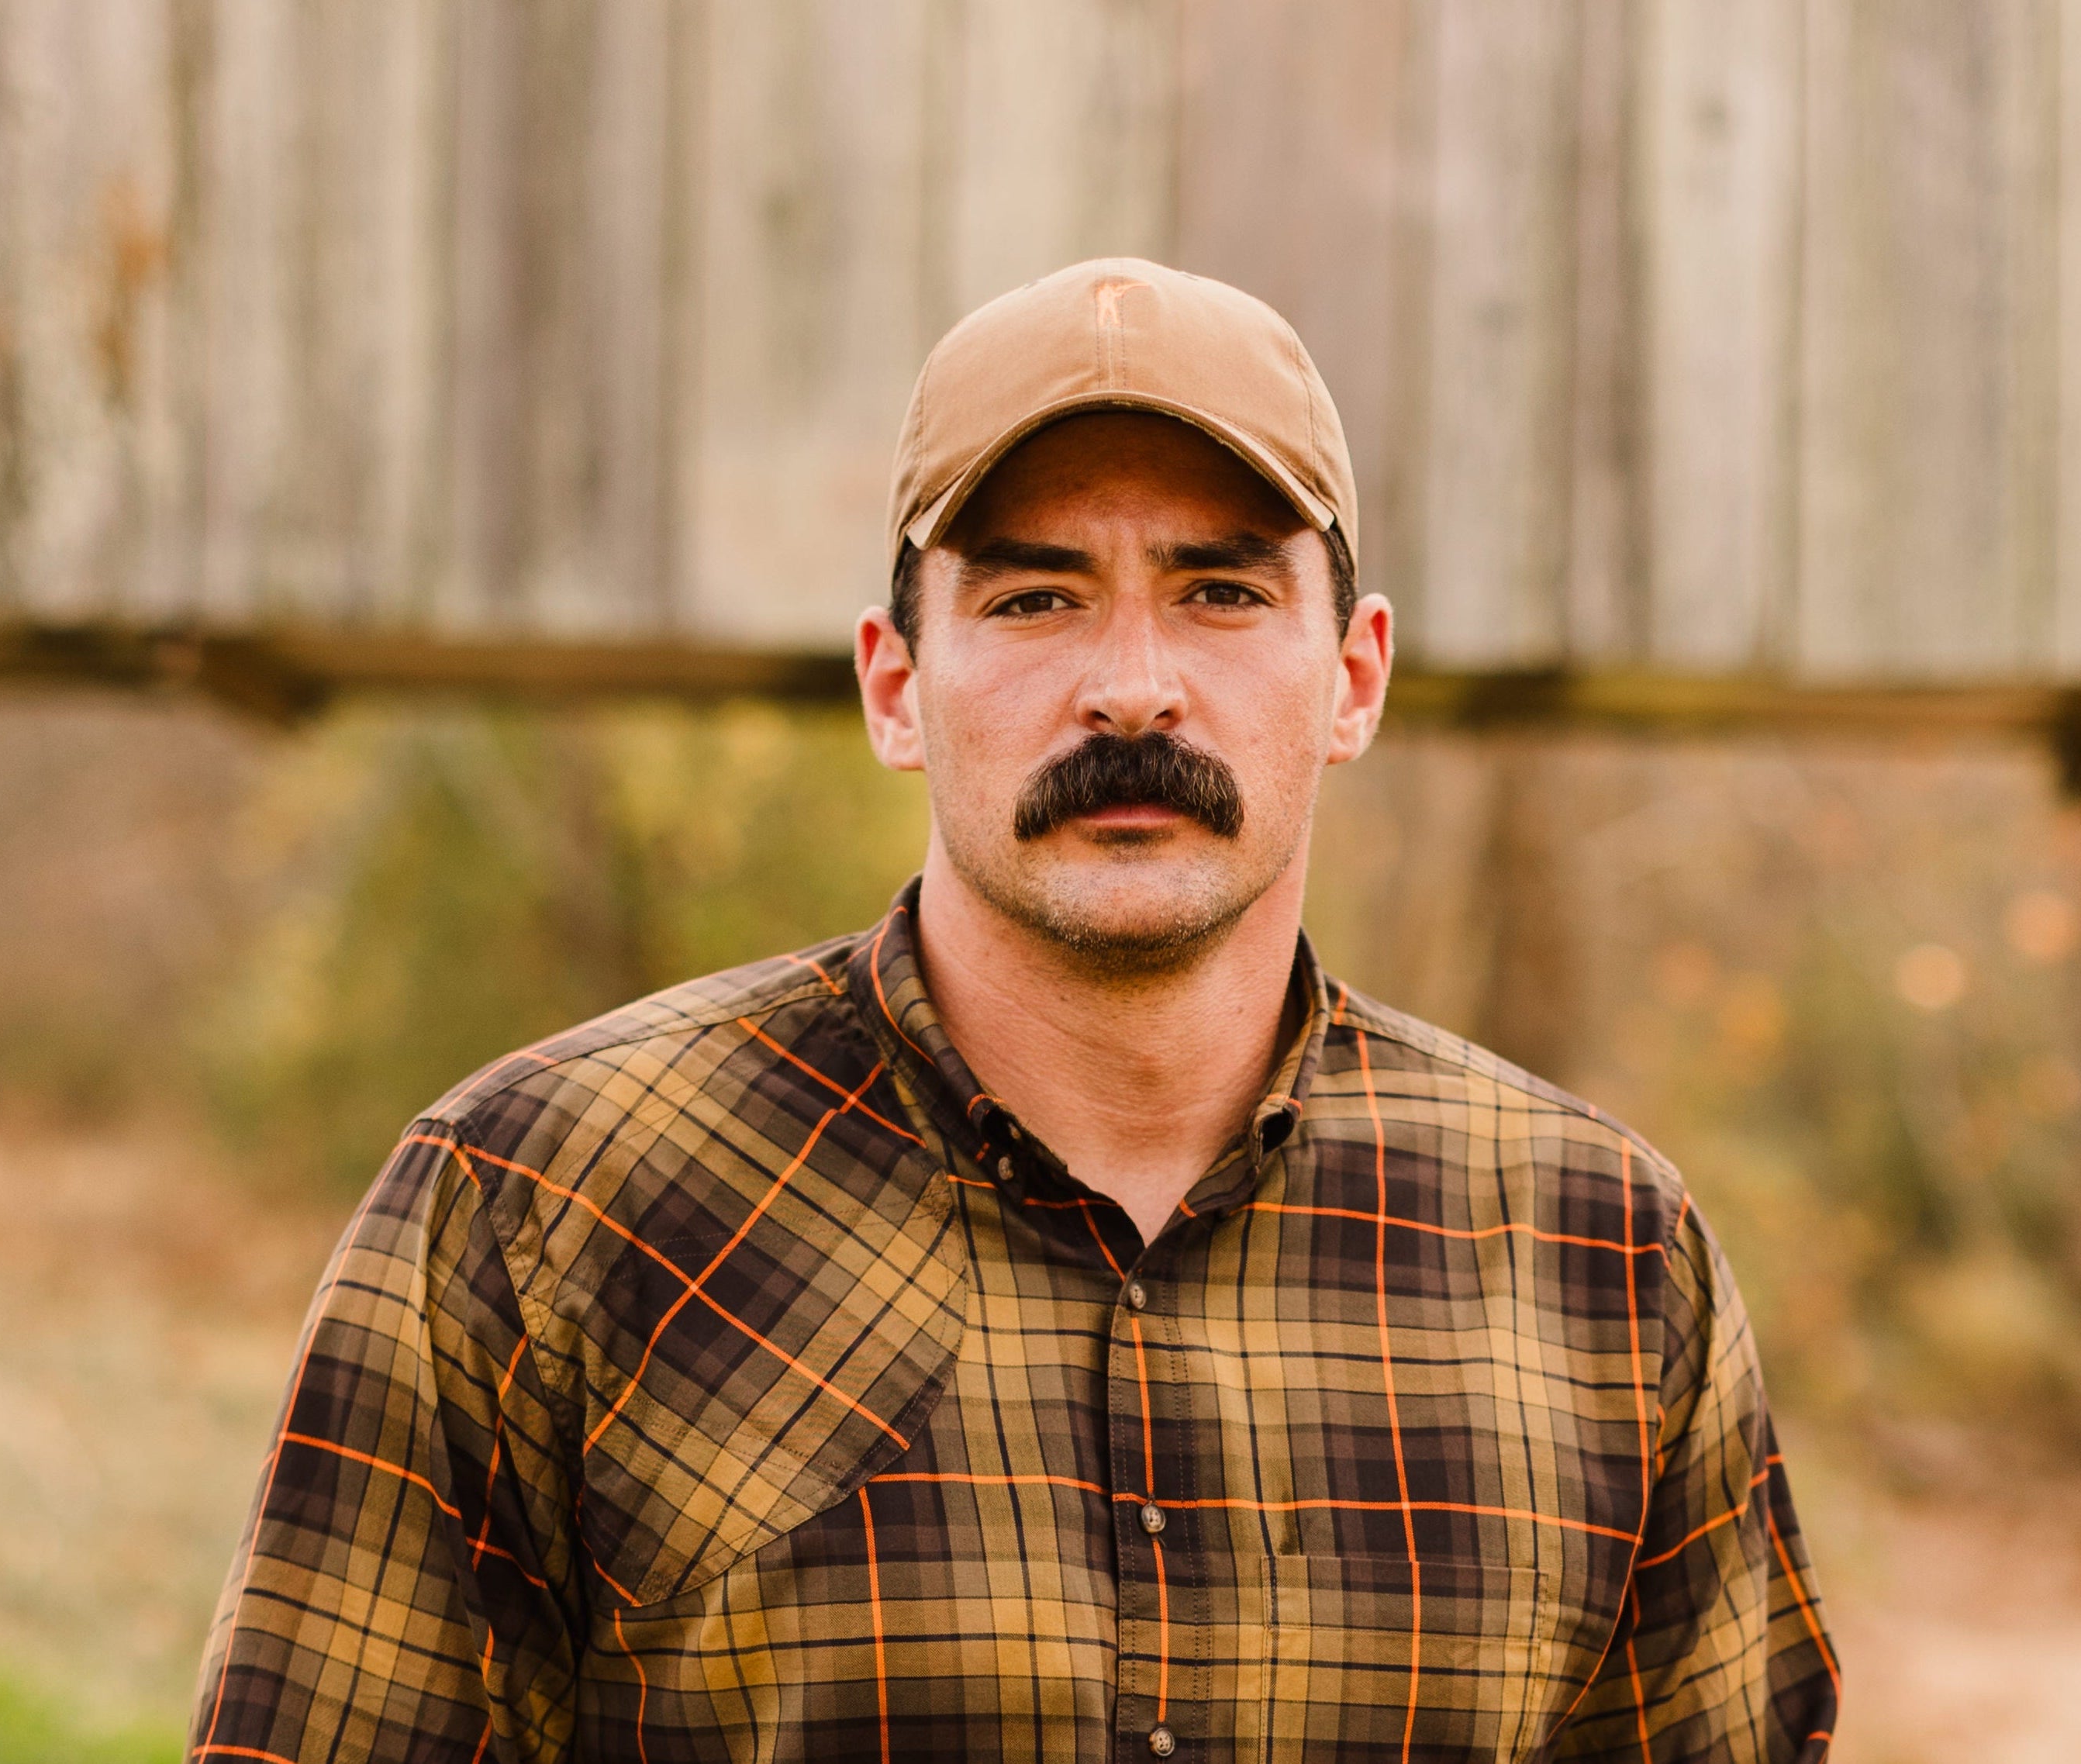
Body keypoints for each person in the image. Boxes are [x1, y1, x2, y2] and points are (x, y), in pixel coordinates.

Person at [190, 258, 1837, 1762]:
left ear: (1354, 677)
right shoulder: (539, 1206)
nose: (1132, 687)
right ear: (896, 684)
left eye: (1221, 593)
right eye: (1036, 599)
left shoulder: (1602, 1256)